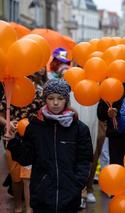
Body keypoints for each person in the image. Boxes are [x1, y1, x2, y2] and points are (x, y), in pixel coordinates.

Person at [5, 79, 93, 213]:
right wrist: (13, 142)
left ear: (66, 100)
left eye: (60, 98)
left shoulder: (79, 129)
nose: (56, 103)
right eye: (51, 98)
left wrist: (77, 184)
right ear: (45, 99)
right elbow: (26, 158)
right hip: (42, 196)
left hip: (69, 197)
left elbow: (85, 160)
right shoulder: (35, 127)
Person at [85, 58, 125, 203]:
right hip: (117, 136)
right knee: (119, 169)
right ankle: (120, 200)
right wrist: (109, 114)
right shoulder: (112, 85)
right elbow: (101, 113)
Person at [0, 68, 47, 213]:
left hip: (31, 138)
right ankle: (18, 204)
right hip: (12, 137)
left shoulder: (38, 95)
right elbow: (0, 114)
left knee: (27, 175)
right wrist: (8, 123)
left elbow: (44, 113)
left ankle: (28, 208)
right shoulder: (10, 93)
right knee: (16, 177)